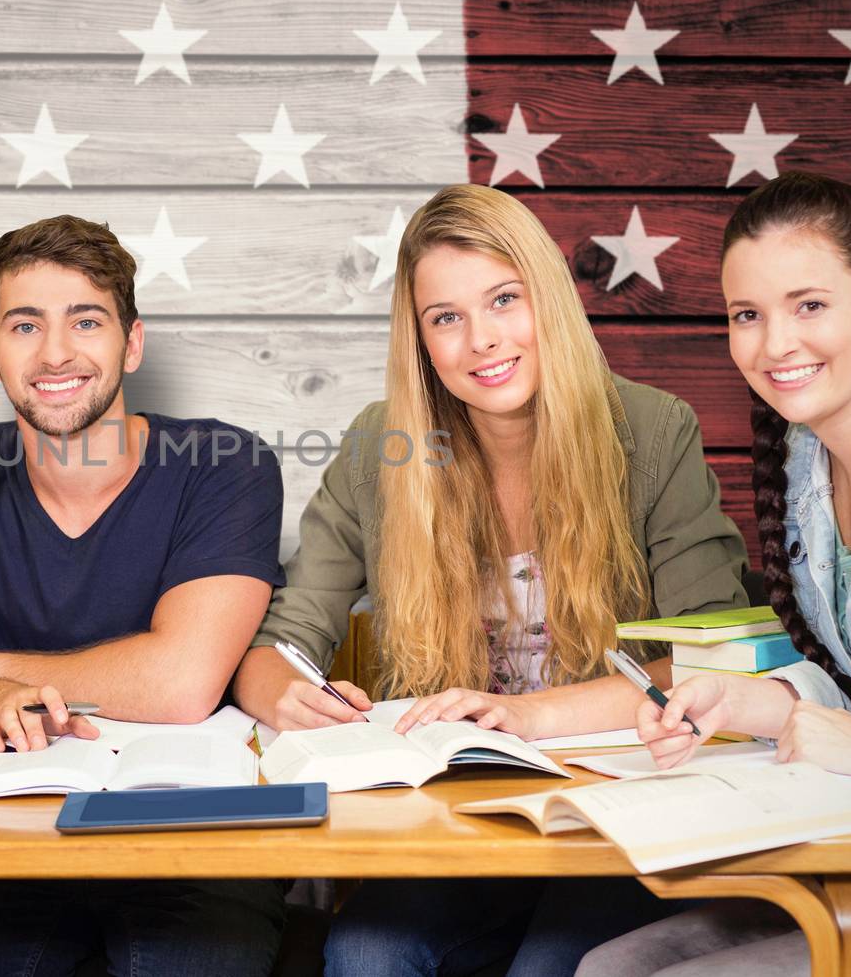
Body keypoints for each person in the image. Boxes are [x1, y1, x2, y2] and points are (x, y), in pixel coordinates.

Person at [231, 183, 751, 977]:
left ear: (545, 297)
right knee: (364, 949)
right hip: (461, 821)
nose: (482, 340)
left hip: (618, 815)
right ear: (422, 340)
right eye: (447, 317)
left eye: (504, 299)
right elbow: (281, 640)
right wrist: (283, 693)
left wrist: (525, 714)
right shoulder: (381, 448)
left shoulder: (652, 429)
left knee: (548, 965)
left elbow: (717, 654)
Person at [576, 173, 851, 975]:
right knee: (612, 968)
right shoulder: (808, 466)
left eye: (808, 304)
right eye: (748, 314)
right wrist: (756, 704)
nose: (775, 343)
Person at [0, 214, 288, 976]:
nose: (56, 352)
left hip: (193, 833)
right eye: (25, 325)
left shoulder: (226, 466)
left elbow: (182, 683)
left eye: (85, 321)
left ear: (131, 343)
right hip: (11, 830)